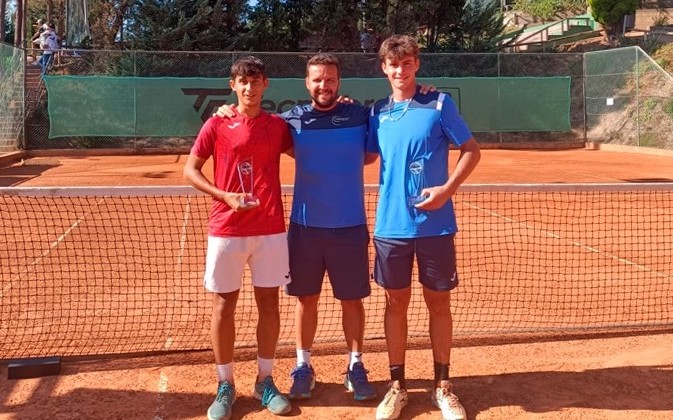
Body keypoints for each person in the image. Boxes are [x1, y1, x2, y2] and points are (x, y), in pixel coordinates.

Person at [217, 53, 380, 403]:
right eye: (317, 80)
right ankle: (303, 365)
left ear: (339, 82)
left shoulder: (360, 115)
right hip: (305, 229)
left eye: (330, 79)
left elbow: (369, 156)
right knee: (306, 301)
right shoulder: (289, 122)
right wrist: (225, 110)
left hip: (350, 226)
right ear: (307, 84)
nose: (324, 85)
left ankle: (355, 364)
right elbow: (253, 126)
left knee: (352, 301)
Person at [368, 35, 481, 420]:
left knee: (438, 304)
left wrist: (448, 189)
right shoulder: (376, 112)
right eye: (393, 65)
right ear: (384, 68)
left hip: (435, 226)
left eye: (407, 63)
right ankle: (397, 386)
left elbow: (471, 149)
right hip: (391, 227)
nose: (400, 71)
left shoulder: (439, 103)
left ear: (417, 65)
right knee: (394, 304)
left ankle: (442, 385)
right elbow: (364, 151)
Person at [183, 56, 293, 420]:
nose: (249, 87)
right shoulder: (217, 123)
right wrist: (224, 196)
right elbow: (190, 169)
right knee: (223, 306)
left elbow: (314, 139)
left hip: (271, 229)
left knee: (270, 306)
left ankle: (264, 380)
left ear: (266, 85)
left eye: (256, 80)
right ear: (233, 85)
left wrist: (344, 107)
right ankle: (225, 383)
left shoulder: (278, 126)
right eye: (242, 81)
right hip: (226, 229)